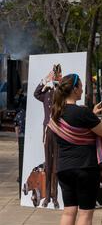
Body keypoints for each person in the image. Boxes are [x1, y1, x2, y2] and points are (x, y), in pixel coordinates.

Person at [48, 74, 102, 225]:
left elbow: (79, 123)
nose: (83, 89)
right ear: (74, 89)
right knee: (85, 215)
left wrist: (91, 113)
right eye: (81, 86)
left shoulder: (55, 113)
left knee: (68, 213)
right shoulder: (82, 113)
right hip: (85, 168)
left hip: (64, 169)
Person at [34, 66, 62, 208]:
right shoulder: (46, 93)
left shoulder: (60, 93)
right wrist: (45, 80)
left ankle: (55, 198)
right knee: (48, 165)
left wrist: (59, 85)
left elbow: (65, 95)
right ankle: (47, 198)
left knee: (56, 166)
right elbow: (36, 93)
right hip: (47, 131)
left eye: (57, 75)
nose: (55, 77)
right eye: (54, 75)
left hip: (57, 131)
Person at [14, 94, 26, 186]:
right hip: (27, 137)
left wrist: (17, 138)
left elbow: (16, 127)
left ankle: (21, 175)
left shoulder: (19, 114)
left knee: (21, 158)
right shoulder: (29, 113)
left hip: (21, 137)